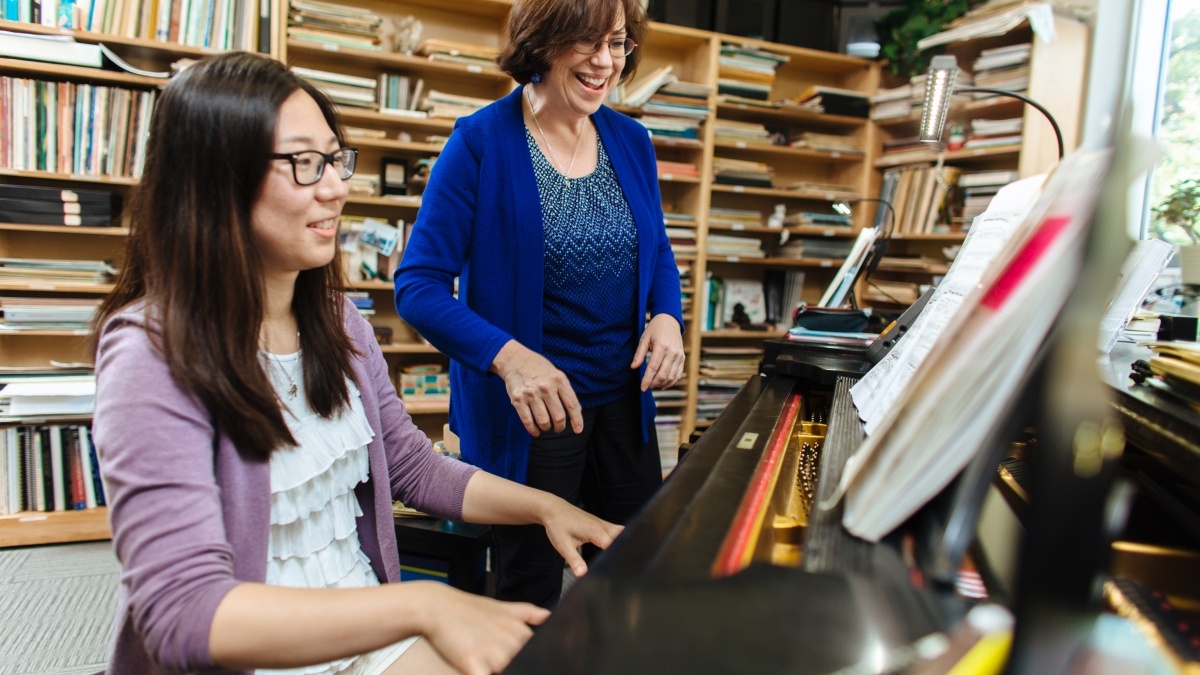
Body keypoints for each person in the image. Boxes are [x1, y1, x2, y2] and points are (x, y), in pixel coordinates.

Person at [91, 51, 622, 675]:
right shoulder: (148, 356)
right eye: (303, 163)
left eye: (336, 159)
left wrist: (544, 506)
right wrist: (419, 606)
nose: (337, 186)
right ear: (215, 180)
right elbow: (185, 616)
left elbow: (412, 467)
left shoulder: (339, 322)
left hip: (365, 636)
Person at [394, 0, 685, 610]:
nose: (605, 61)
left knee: (633, 580)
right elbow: (417, 286)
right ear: (544, 40)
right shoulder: (480, 142)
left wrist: (667, 316)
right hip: (535, 415)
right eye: (586, 41)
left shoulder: (632, 141)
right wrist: (509, 359)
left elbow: (655, 247)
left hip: (625, 403)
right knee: (531, 596)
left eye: (618, 42)